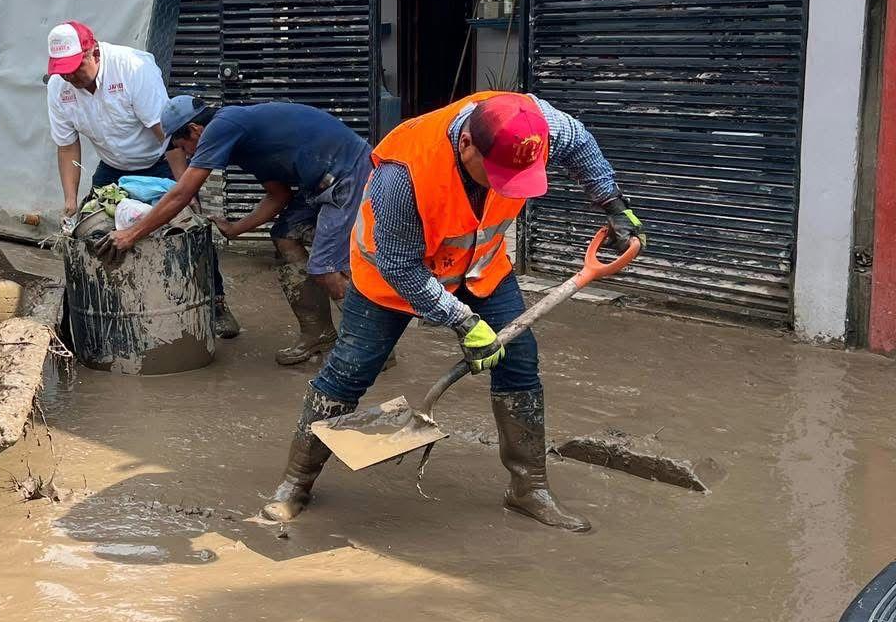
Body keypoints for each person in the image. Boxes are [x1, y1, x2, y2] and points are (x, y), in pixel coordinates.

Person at [261, 91, 647, 533]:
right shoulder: (402, 176)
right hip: (392, 278)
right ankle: (295, 483)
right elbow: (401, 266)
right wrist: (464, 322)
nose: (506, 186)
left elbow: (580, 143)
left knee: (520, 365)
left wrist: (613, 206)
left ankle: (529, 488)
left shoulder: (534, 126)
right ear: (466, 143)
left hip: (481, 267)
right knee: (349, 372)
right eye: (498, 173)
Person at [100, 96, 373, 365]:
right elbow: (278, 196)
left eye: (184, 146)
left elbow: (182, 193)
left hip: (348, 170)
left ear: (195, 130)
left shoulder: (223, 125)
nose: (186, 155)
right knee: (285, 236)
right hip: (320, 180)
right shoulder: (242, 142)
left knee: (325, 268)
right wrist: (235, 229)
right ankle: (319, 335)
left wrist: (131, 234)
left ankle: (367, 349)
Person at [46, 21, 239, 338]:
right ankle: (94, 312)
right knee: (87, 230)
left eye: (74, 68)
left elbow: (168, 136)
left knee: (188, 226)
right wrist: (69, 200)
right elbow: (68, 147)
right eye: (62, 70)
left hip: (159, 158)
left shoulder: (133, 69)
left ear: (94, 51)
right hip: (112, 167)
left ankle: (216, 303)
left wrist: (184, 190)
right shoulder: (59, 87)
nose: (69, 77)